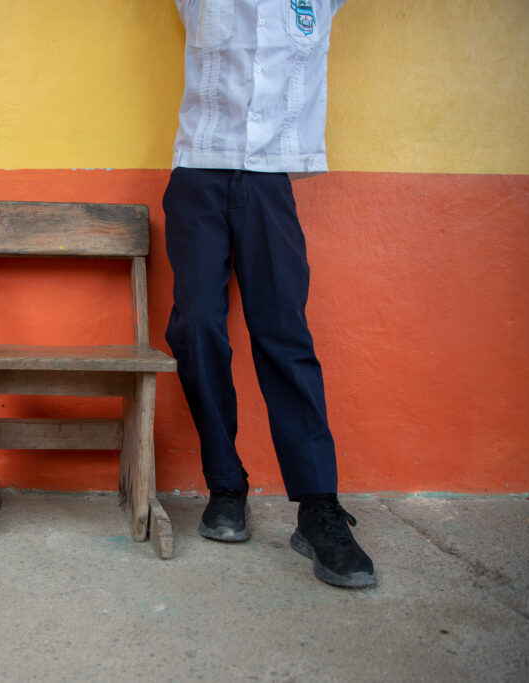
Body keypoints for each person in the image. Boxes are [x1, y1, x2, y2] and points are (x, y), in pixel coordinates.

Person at [163, 0, 376, 587]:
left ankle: (318, 509)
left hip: (271, 177)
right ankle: (226, 488)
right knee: (197, 325)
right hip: (199, 171)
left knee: (284, 333)